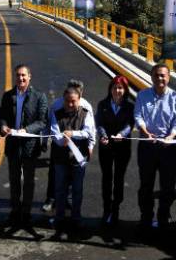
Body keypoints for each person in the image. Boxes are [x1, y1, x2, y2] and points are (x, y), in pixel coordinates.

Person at [134, 63, 176, 231]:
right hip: (147, 145)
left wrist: (170, 137)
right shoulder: (142, 95)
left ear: (168, 77)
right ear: (152, 77)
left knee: (167, 185)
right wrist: (145, 132)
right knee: (146, 185)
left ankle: (164, 215)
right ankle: (146, 216)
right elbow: (138, 115)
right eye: (156, 75)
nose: (160, 78)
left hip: (168, 147)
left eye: (163, 75)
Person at [0, 64, 48, 227]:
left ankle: (26, 213)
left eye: (23, 75)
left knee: (28, 181)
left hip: (29, 145)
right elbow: (3, 116)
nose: (20, 78)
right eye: (18, 75)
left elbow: (42, 121)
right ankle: (15, 211)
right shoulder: (8, 96)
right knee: (14, 180)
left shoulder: (39, 97)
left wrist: (26, 130)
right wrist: (3, 127)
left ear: (29, 77)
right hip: (12, 144)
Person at [42, 79, 94, 213]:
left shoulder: (86, 107)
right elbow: (51, 126)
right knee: (55, 175)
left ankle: (69, 202)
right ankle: (51, 199)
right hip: (59, 148)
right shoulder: (57, 105)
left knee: (75, 182)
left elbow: (91, 130)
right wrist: (48, 141)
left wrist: (91, 145)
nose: (70, 103)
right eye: (68, 99)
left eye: (78, 92)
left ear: (80, 93)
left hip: (78, 150)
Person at [50, 86, 95, 238]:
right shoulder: (56, 113)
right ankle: (59, 217)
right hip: (60, 158)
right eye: (67, 101)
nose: (70, 104)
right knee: (60, 189)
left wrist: (72, 134)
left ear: (79, 100)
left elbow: (88, 132)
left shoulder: (85, 113)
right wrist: (61, 140)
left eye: (73, 101)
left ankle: (76, 217)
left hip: (78, 159)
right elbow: (54, 133)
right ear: (64, 99)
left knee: (77, 190)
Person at [95, 75, 134, 228]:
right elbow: (99, 123)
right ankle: (106, 208)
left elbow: (130, 124)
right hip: (106, 146)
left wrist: (122, 135)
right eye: (115, 88)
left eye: (120, 88)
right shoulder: (102, 104)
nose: (117, 91)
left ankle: (116, 208)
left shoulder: (130, 107)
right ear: (110, 89)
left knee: (119, 178)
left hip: (123, 147)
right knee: (106, 177)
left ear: (125, 90)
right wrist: (103, 135)